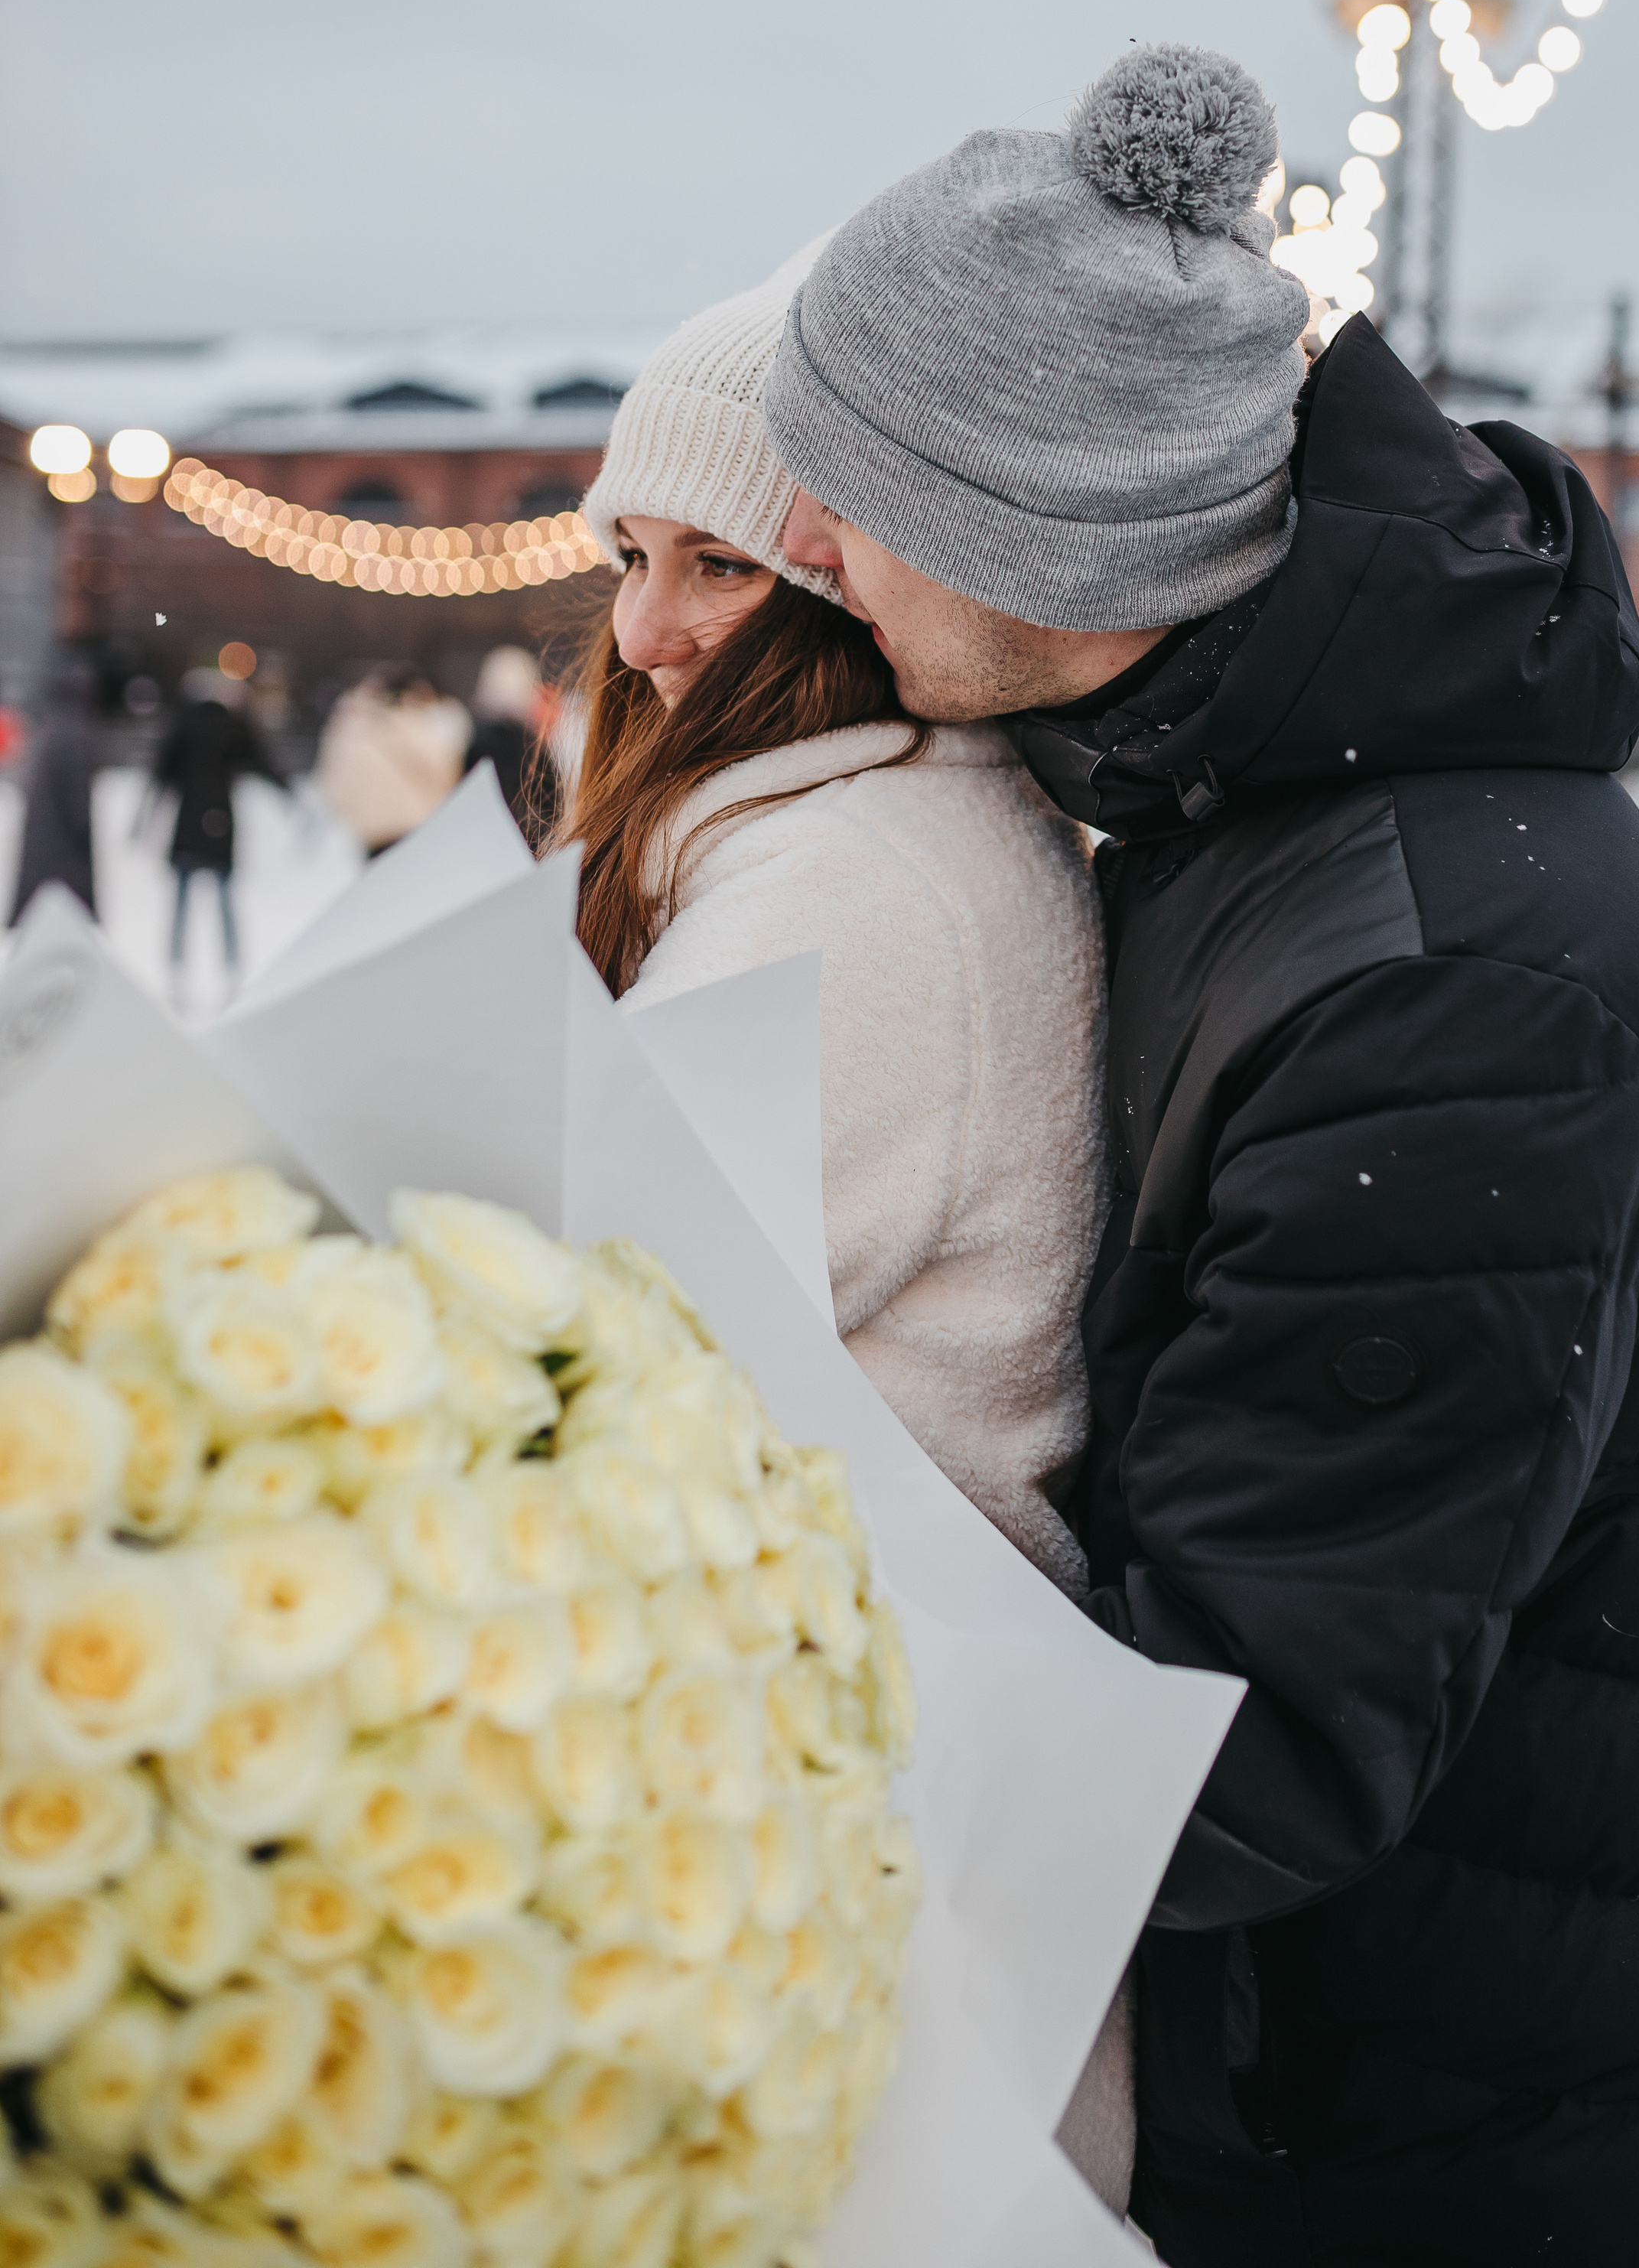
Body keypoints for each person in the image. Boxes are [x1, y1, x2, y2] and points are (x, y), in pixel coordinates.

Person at [764, 44, 1639, 2268]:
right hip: (1326, 2100)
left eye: (846, 488)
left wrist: (670, 1661)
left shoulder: (1457, 983)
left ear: (1040, 523)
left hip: (1426, 2158)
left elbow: (1241, 1734)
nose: (805, 549)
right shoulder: (1252, 809)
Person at [570, 253, 1131, 2206]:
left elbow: (602, 1354)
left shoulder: (850, 889)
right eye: (627, 555)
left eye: (712, 562)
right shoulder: (837, 832)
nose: (643, 628)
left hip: (850, 1821)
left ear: (837, 567)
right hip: (854, 1777)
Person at [151, 667, 287, 988]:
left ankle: (176, 965)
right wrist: (288, 792)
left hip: (188, 825)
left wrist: (145, 820)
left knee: (183, 903)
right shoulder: (233, 725)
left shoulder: (185, 724)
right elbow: (261, 762)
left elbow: (162, 775)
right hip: (219, 822)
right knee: (223, 901)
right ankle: (231, 965)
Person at [314, 663, 470, 857]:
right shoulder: (418, 727)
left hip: (370, 828)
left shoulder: (356, 728)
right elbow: (445, 770)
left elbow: (332, 775)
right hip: (410, 823)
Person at [7, 656, 99, 924]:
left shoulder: (49, 725)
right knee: (66, 916)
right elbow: (77, 798)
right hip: (65, 848)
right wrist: (82, 833)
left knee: (40, 910)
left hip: (43, 844)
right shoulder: (75, 730)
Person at [464, 644, 561, 851]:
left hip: (485, 839)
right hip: (525, 841)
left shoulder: (477, 742)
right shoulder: (533, 746)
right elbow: (552, 801)